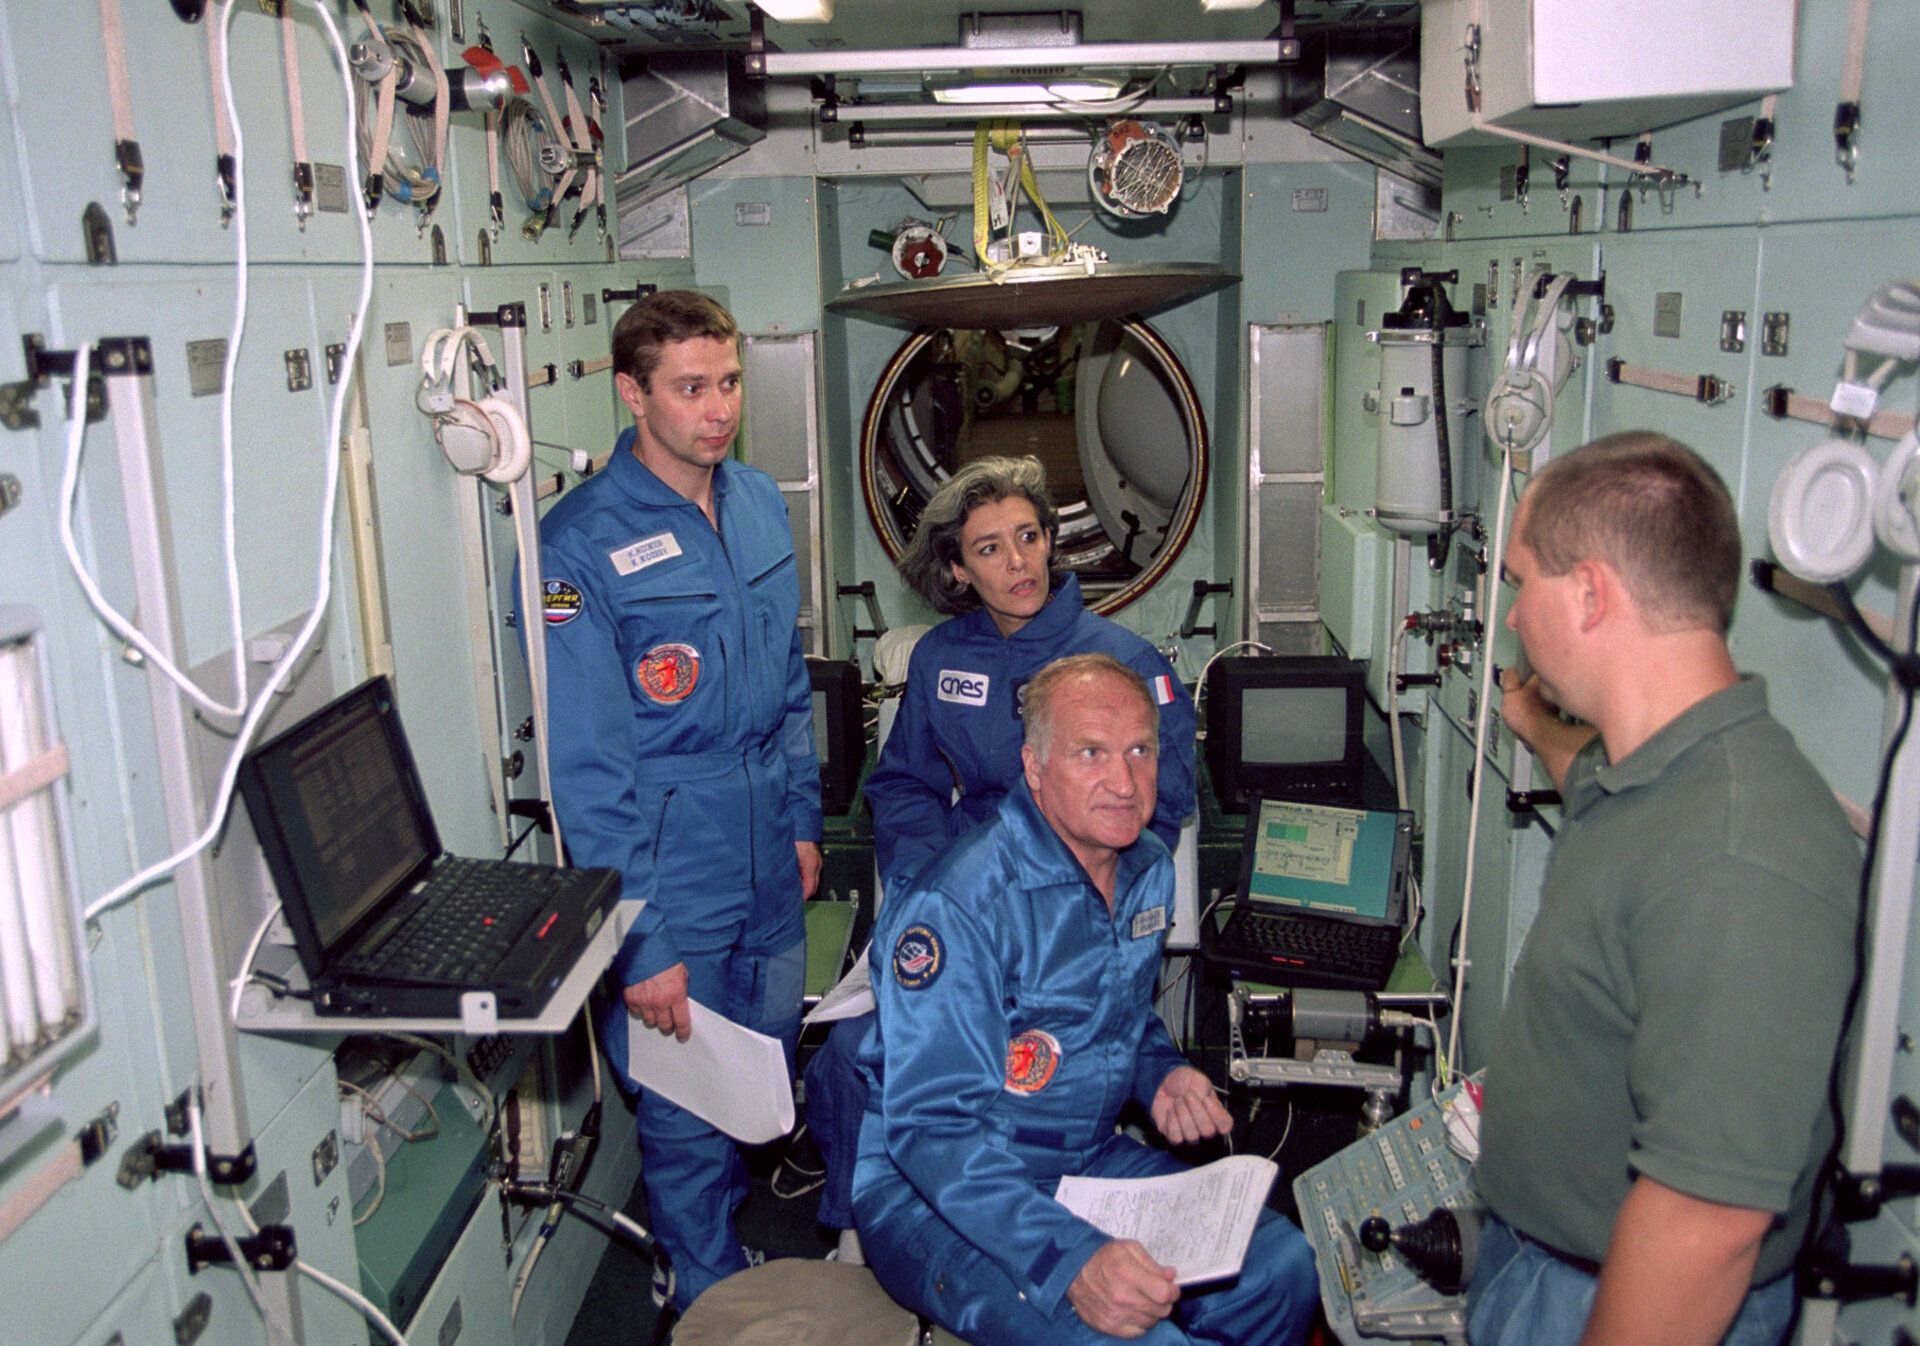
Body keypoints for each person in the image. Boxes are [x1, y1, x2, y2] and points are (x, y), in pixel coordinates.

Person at [1472, 432, 1860, 1346]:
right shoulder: (1654, 771)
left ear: (1593, 592)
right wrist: (1532, 724)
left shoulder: (1740, 857)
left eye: (1523, 580)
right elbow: (1596, 784)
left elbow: (1706, 1228)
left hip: (1607, 1304)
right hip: (1539, 1267)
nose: (1515, 615)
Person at [851, 654, 1317, 1345]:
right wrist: (1071, 1259)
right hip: (936, 1194)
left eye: (1140, 750)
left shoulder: (1147, 871)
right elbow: (932, 1131)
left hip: (1087, 1161)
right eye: (1090, 753)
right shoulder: (958, 904)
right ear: (1034, 767)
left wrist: (1159, 1072)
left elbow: (1117, 1011)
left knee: (1285, 1267)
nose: (1125, 783)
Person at [803, 456, 1198, 1244]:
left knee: (1020, 1060)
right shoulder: (944, 659)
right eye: (988, 549)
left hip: (1075, 912)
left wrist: (1085, 901)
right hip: (966, 900)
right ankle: (864, 1230)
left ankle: (1032, 1214)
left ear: (1054, 542)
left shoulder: (1126, 663)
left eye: (1028, 537)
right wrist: (922, 886)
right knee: (849, 1053)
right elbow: (905, 786)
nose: (1016, 563)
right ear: (956, 568)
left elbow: (1165, 806)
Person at [533, 289, 822, 1314]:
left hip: (764, 832)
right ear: (632, 391)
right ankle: (700, 1281)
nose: (718, 407)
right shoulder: (577, 545)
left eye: (729, 382)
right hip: (668, 839)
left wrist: (801, 816)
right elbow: (587, 766)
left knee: (766, 1047)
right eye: (690, 387)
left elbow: (788, 676)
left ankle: (729, 1231)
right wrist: (639, 936)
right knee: (687, 1088)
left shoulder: (752, 500)